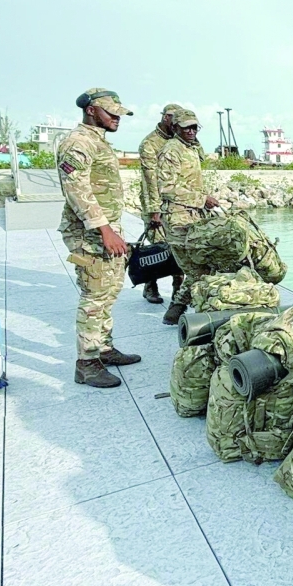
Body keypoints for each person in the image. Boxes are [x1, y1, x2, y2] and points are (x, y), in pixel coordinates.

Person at [57, 88, 142, 388]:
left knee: (109, 290)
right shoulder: (78, 142)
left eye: (119, 113)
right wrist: (104, 229)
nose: (117, 117)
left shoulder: (97, 141)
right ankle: (87, 363)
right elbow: (76, 188)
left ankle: (104, 348)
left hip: (105, 231)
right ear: (91, 110)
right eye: (111, 112)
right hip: (89, 234)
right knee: (94, 295)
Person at [157, 107, 219, 325]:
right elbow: (166, 188)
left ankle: (179, 309)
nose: (192, 132)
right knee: (196, 268)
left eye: (195, 127)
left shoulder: (190, 148)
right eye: (186, 128)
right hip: (178, 219)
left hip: (194, 216)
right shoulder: (171, 151)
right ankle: (176, 309)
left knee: (203, 265)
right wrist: (201, 199)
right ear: (175, 128)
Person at [137, 103, 183, 304]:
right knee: (156, 248)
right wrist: (154, 211)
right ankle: (150, 287)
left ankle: (178, 292)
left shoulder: (180, 140)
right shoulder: (150, 143)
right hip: (155, 202)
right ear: (166, 118)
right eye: (174, 118)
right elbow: (150, 180)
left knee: (180, 247)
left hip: (178, 203)